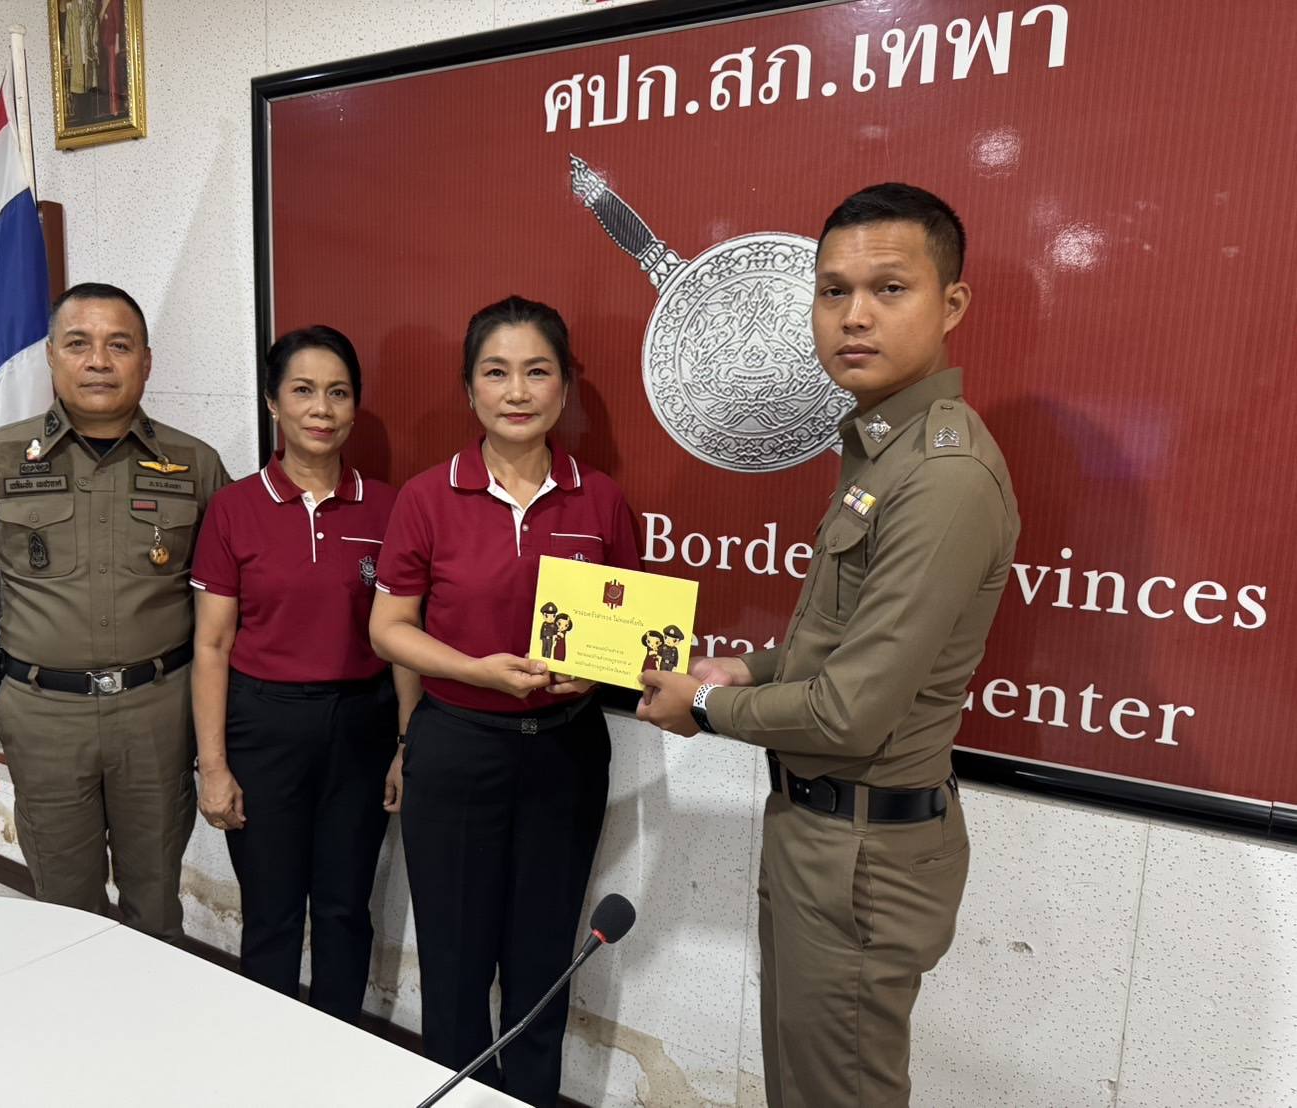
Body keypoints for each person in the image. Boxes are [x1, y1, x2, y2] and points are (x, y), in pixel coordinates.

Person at [638, 184, 1020, 1108]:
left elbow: (849, 712)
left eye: (889, 289)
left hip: (862, 853)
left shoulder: (940, 474)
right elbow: (837, 645)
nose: (853, 316)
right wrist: (749, 669)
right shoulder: (882, 449)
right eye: (832, 290)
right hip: (822, 833)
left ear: (951, 304)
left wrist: (706, 705)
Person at [370, 295, 640, 1107]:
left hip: (565, 752)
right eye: (495, 373)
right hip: (457, 748)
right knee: (454, 962)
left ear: (565, 387)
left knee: (542, 959)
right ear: (469, 389)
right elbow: (388, 628)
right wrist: (478, 671)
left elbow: (630, 632)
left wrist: (596, 673)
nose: (516, 391)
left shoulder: (601, 500)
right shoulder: (427, 496)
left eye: (536, 371)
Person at [0, 282, 230, 943]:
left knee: (156, 905)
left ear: (145, 361)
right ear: (51, 356)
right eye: (79, 343)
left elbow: (225, 609)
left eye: (119, 345)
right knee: (64, 909)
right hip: (45, 719)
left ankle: (149, 1004)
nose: (98, 361)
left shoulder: (195, 466)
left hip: (158, 715)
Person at [188, 325, 419, 1021]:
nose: (322, 408)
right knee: (272, 911)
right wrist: (213, 766)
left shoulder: (389, 508)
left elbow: (403, 639)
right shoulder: (234, 509)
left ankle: (339, 1048)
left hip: (361, 728)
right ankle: (272, 1055)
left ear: (355, 406)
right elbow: (212, 645)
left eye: (338, 393)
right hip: (263, 729)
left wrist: (406, 745)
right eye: (303, 390)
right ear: (273, 402)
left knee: (346, 909)